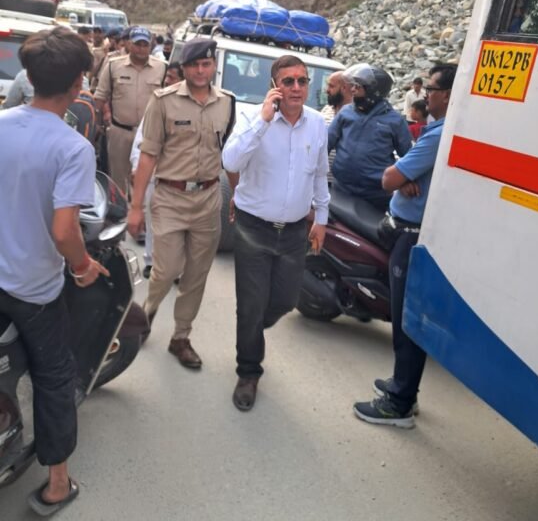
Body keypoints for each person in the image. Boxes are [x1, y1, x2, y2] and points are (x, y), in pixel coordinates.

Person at [0, 26, 108, 515]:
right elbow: (66, 231)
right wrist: (83, 267)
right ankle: (58, 484)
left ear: (28, 75)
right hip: (32, 291)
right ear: (79, 83)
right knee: (55, 374)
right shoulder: (73, 148)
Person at [222, 54, 329, 412]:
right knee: (250, 306)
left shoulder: (317, 123)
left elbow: (319, 174)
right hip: (253, 228)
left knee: (284, 300)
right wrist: (263, 122)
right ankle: (248, 371)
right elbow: (230, 162)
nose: (296, 87)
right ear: (274, 86)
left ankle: (253, 327)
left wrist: (322, 218)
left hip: (295, 231)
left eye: (302, 80)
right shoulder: (253, 117)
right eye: (288, 81)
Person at [353, 63, 456, 428]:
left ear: (447, 95)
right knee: (406, 318)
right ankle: (403, 386)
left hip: (411, 236)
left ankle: (398, 403)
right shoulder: (441, 131)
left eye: (431, 89)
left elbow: (388, 178)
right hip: (412, 232)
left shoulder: (438, 135)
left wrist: (399, 178)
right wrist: (403, 177)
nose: (425, 95)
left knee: (406, 321)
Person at [127, 38, 235, 369]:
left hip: (208, 200)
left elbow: (229, 154)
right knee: (167, 270)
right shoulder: (163, 102)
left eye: (206, 64)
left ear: (213, 66)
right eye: (194, 65)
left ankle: (180, 337)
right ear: (184, 68)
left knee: (196, 275)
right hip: (170, 198)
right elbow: (148, 156)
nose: (200, 71)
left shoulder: (228, 103)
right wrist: (135, 207)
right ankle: (147, 312)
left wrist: (236, 195)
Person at [328, 63, 412, 211]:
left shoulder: (395, 121)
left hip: (376, 196)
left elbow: (408, 156)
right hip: (340, 189)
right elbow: (326, 143)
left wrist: (407, 181)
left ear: (374, 91)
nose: (352, 90)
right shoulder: (346, 112)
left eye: (358, 87)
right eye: (353, 85)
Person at [94, 26, 167, 194]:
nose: (141, 48)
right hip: (120, 132)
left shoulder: (162, 68)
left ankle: (139, 209)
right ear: (129, 44)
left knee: (147, 181)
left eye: (145, 45)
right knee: (118, 181)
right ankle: (119, 209)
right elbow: (100, 96)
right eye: (137, 44)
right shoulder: (113, 65)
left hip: (150, 135)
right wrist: (97, 125)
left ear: (150, 46)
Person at [130, 61, 184, 279]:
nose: (167, 81)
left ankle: (177, 269)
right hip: (155, 174)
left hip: (182, 177)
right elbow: (141, 139)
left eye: (172, 77)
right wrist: (136, 166)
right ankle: (151, 261)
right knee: (154, 220)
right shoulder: (158, 102)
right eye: (167, 77)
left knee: (179, 225)